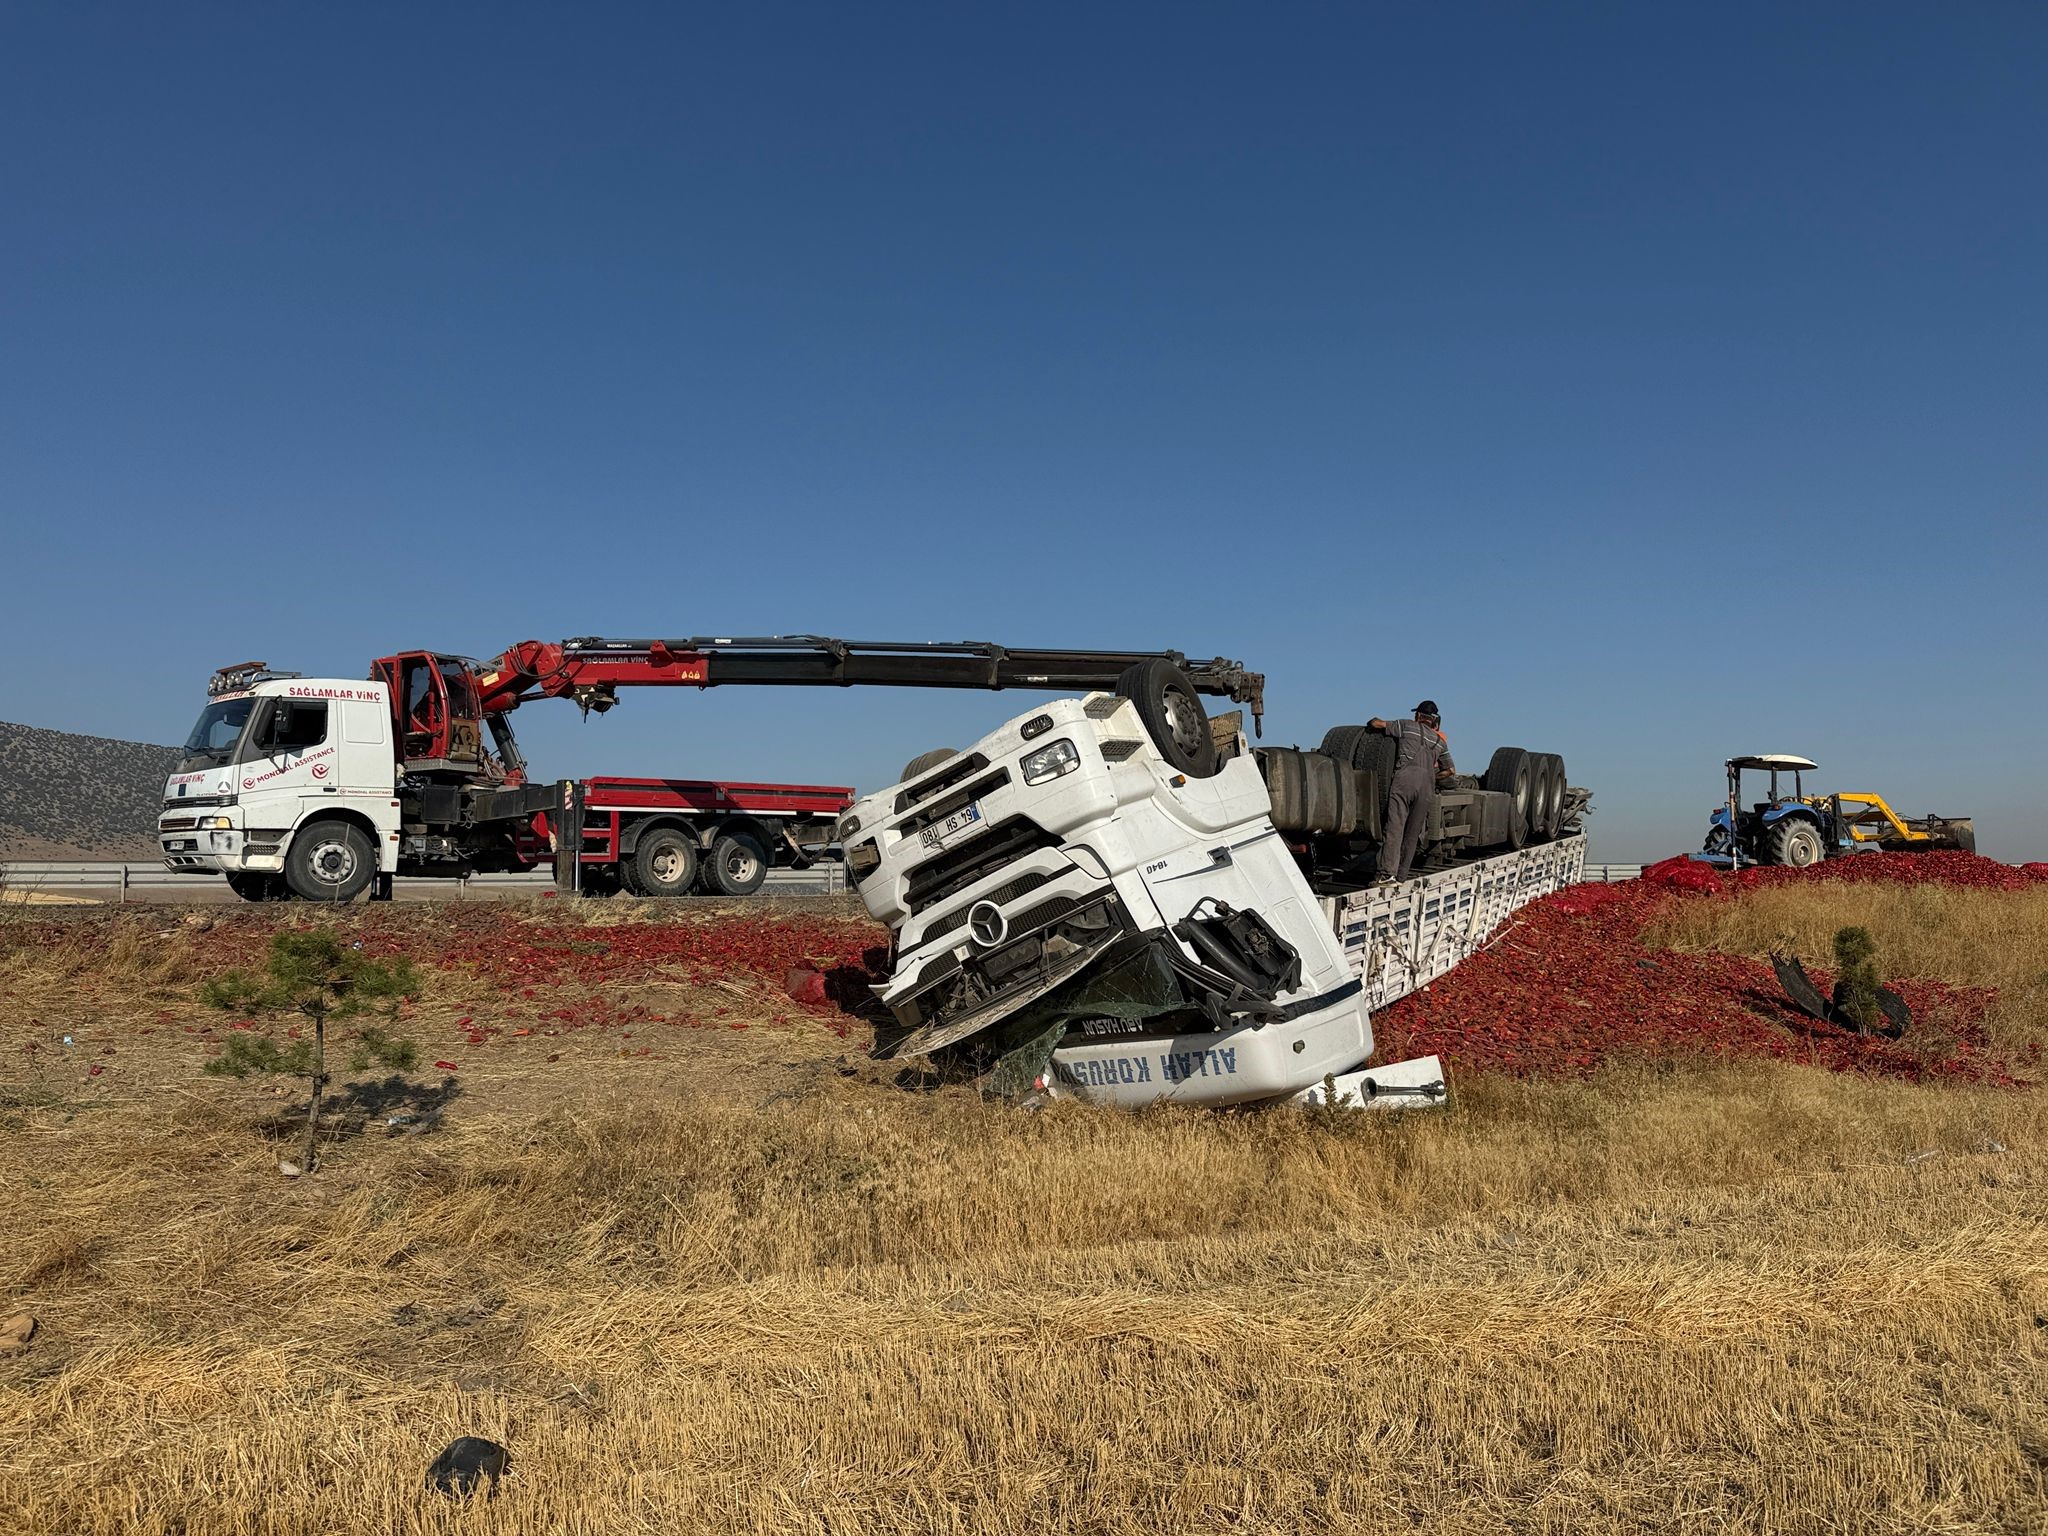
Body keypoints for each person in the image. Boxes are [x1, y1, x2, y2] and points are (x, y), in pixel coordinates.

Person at [1366, 701, 1453, 885]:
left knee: (1395, 827)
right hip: (1427, 787)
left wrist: (1372, 721)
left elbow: (1378, 724)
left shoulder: (1406, 726)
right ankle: (1401, 876)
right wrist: (1433, 777)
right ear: (1433, 720)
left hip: (1405, 781)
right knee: (1412, 833)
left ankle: (1387, 873)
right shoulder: (1440, 741)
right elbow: (1450, 770)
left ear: (1418, 715)